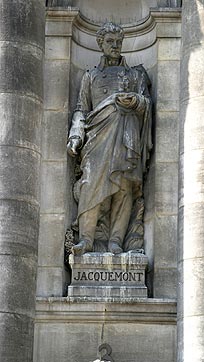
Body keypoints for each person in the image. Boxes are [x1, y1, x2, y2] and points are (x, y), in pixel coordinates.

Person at [67, 22, 152, 255]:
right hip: (97, 137)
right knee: (90, 184)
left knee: (124, 188)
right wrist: (76, 134)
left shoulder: (135, 75)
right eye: (110, 42)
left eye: (118, 42)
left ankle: (116, 241)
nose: (115, 46)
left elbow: (146, 103)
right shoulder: (90, 76)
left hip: (127, 135)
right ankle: (86, 239)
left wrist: (136, 101)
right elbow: (81, 110)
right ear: (100, 44)